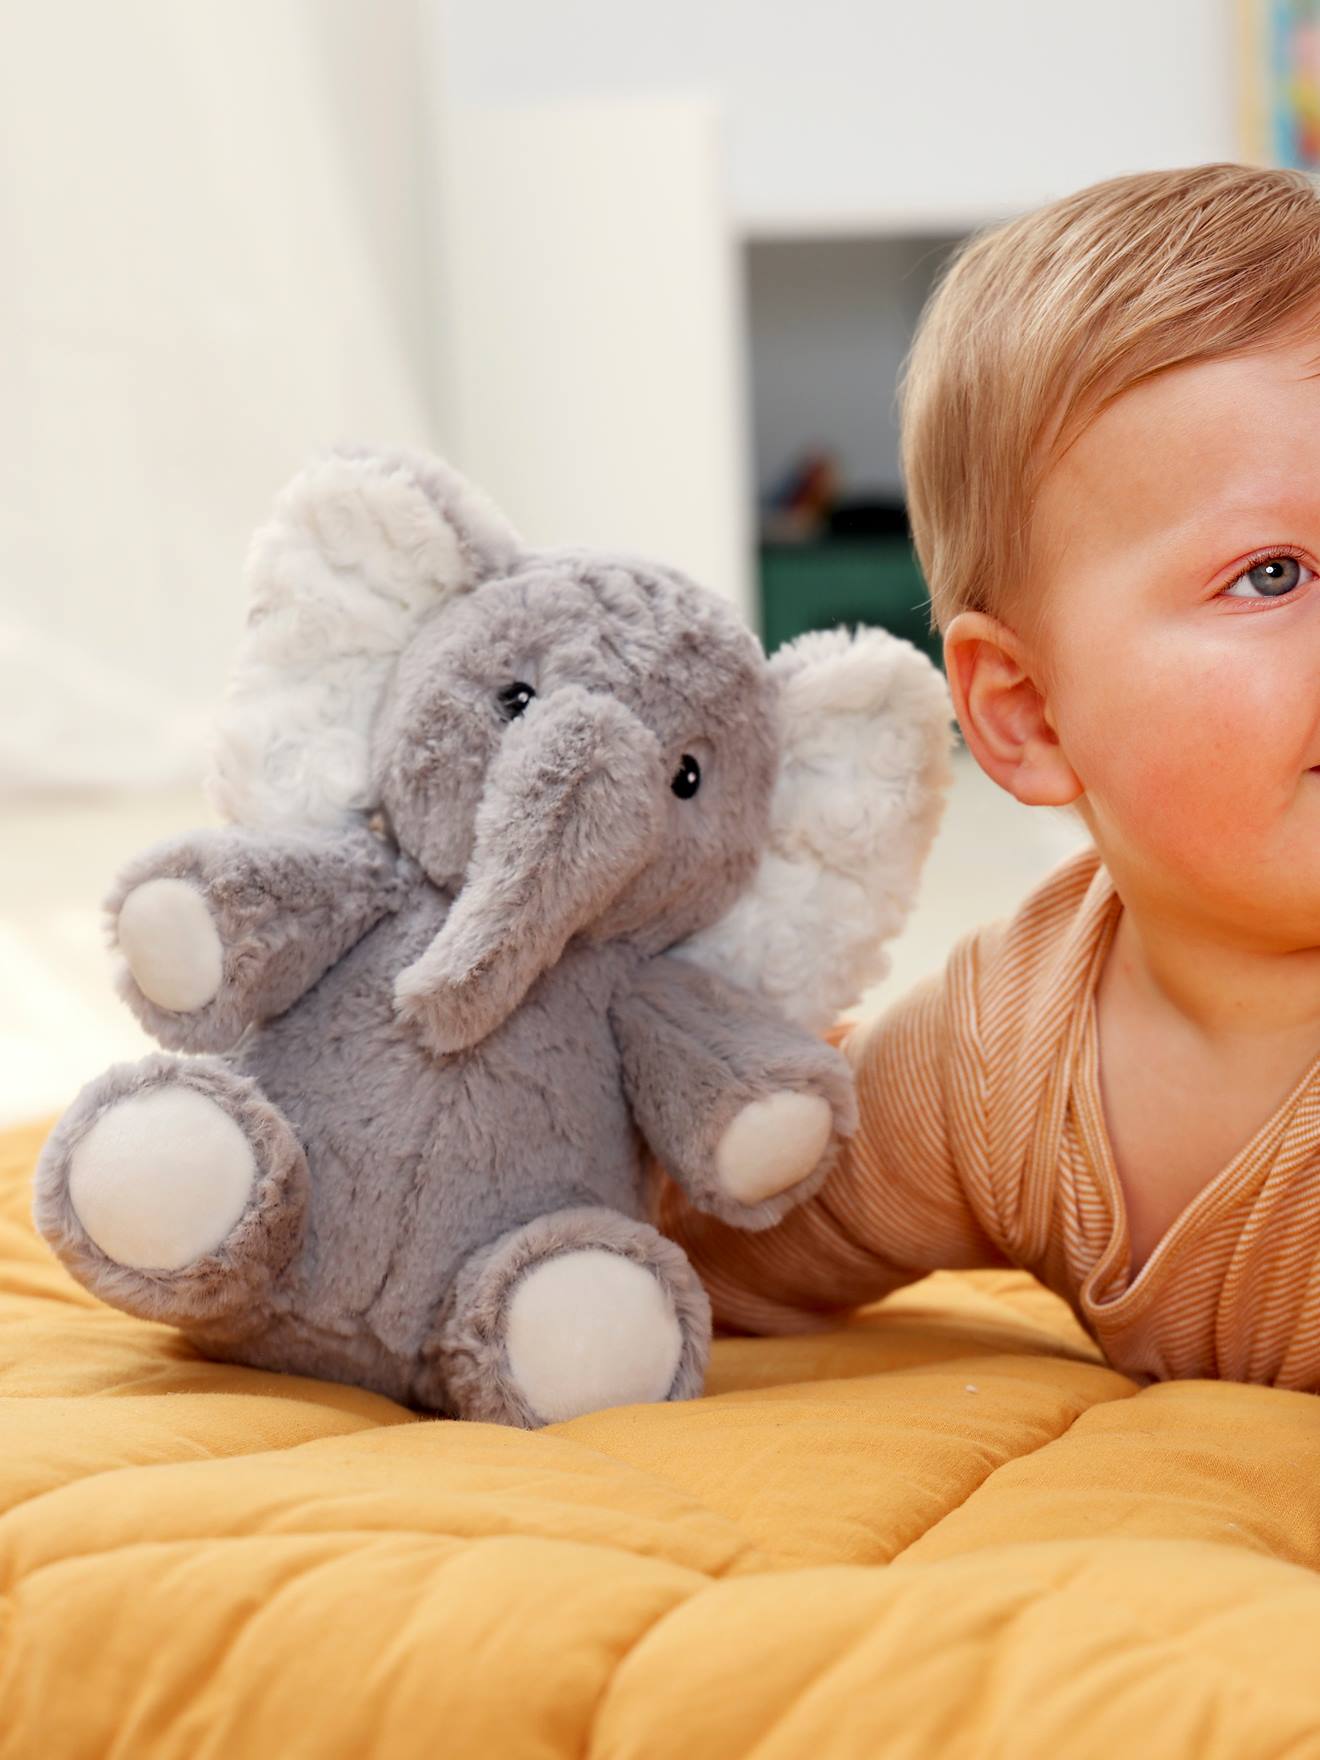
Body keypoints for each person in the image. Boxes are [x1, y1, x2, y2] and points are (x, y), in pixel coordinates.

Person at [660, 163, 1320, 1389]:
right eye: (1272, 574)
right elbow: (713, 1244)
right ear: (1028, 713)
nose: (1288, 588)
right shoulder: (992, 1060)